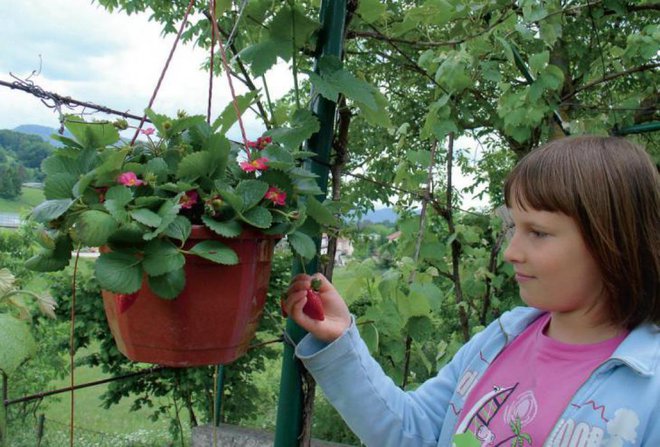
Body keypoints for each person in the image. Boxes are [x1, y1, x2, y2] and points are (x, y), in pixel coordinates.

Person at [283, 135, 660, 446]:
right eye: (513, 227)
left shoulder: (650, 387)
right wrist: (340, 342)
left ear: (612, 240)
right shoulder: (502, 339)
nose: (511, 252)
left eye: (538, 233)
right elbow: (411, 432)